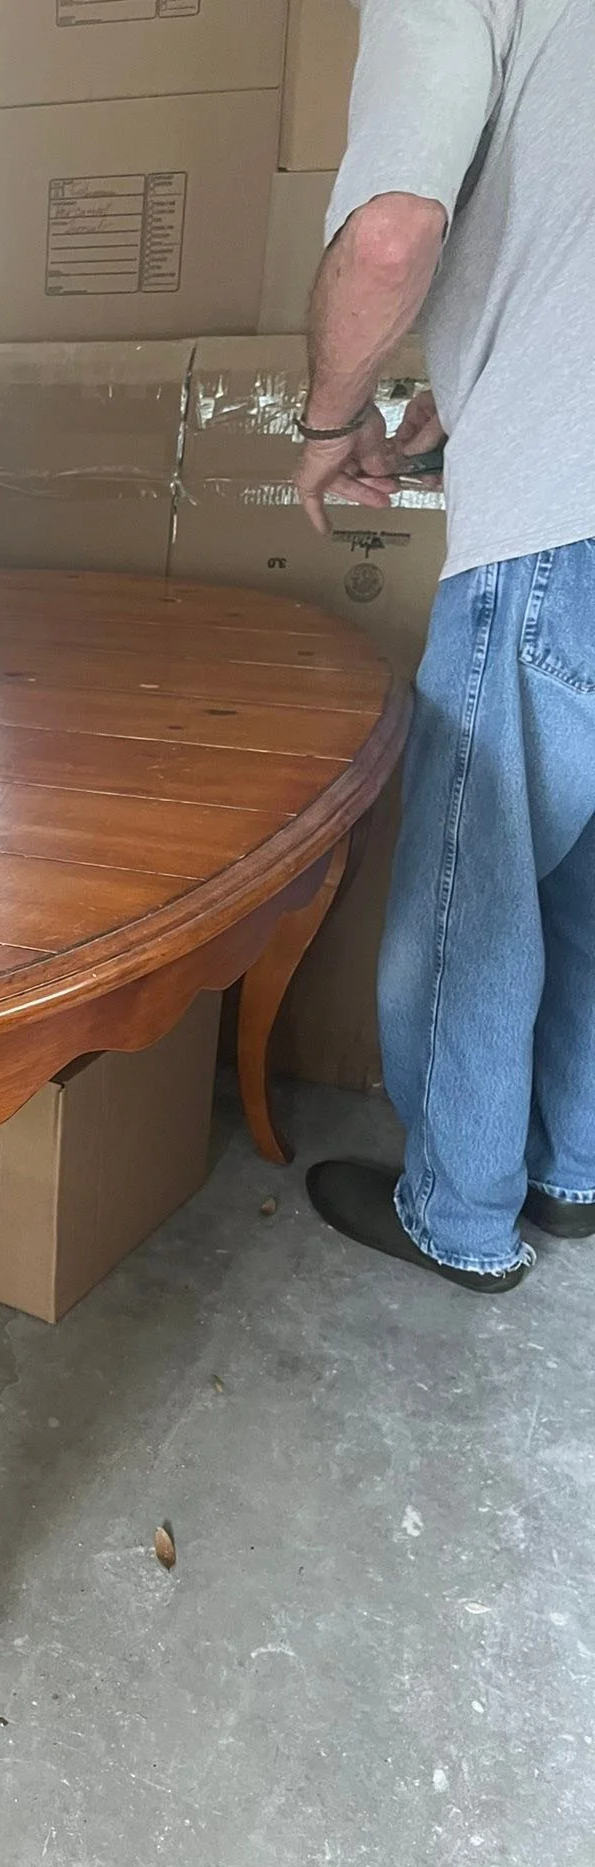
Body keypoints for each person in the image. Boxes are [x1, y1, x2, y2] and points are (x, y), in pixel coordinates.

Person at [292, 0, 595, 1293]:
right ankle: (573, 1168)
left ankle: (459, 1212)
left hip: (555, 512)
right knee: (586, 874)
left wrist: (329, 414)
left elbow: (393, 234)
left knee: (477, 873)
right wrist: (461, 393)